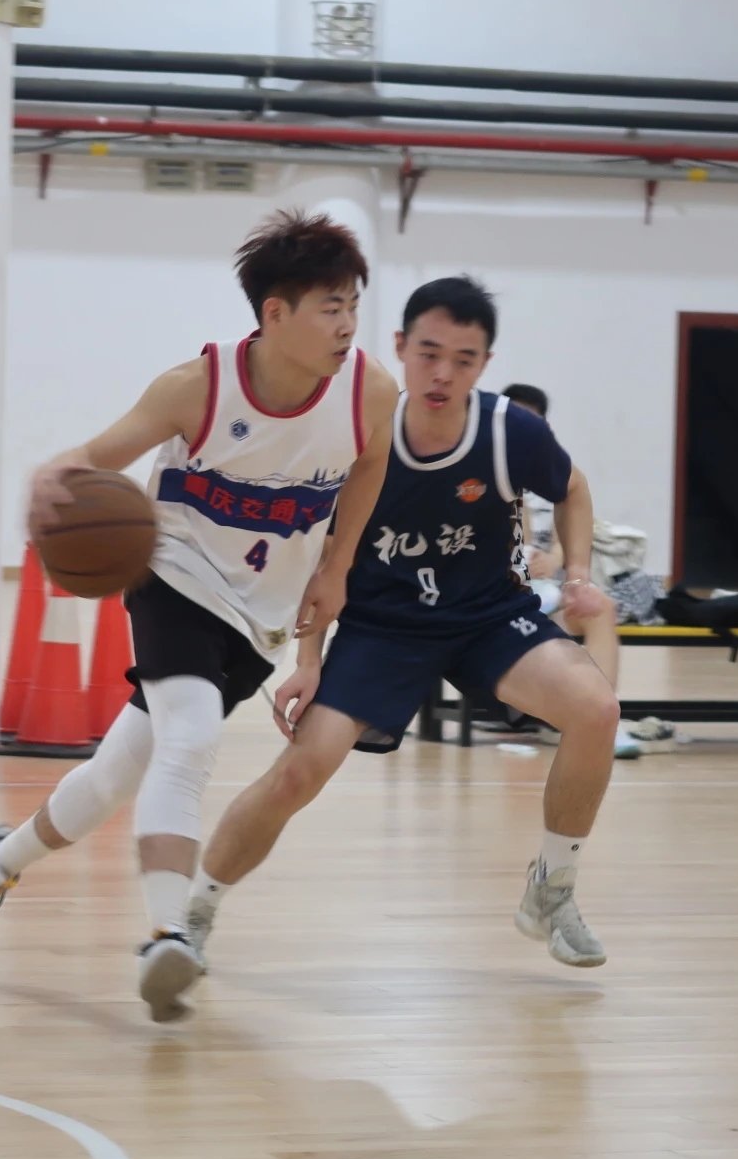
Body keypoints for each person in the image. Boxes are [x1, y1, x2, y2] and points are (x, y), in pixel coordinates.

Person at [0, 211, 399, 1021]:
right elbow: (96, 455)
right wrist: (49, 476)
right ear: (275, 313)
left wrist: (338, 565)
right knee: (192, 738)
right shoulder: (197, 387)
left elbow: (371, 463)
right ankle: (166, 935)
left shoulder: (370, 391)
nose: (348, 323)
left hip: (260, 614)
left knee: (114, 777)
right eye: (330, 307)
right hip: (172, 575)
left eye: (353, 303)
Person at [187, 276, 620, 972]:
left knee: (596, 709)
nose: (443, 373)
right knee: (298, 774)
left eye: (463, 359)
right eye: (429, 354)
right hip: (380, 629)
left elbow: (572, 488)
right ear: (399, 346)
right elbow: (324, 557)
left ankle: (553, 889)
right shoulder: (358, 433)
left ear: (485, 363)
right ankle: (192, 917)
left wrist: (577, 573)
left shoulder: (510, 431)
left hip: (487, 619)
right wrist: (308, 661)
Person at [501, 382, 672, 759]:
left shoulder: (553, 477)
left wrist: (556, 560)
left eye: (531, 422)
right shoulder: (484, 474)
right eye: (514, 420)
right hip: (499, 609)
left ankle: (605, 719)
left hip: (548, 600)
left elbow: (572, 532)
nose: (521, 430)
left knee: (600, 607)